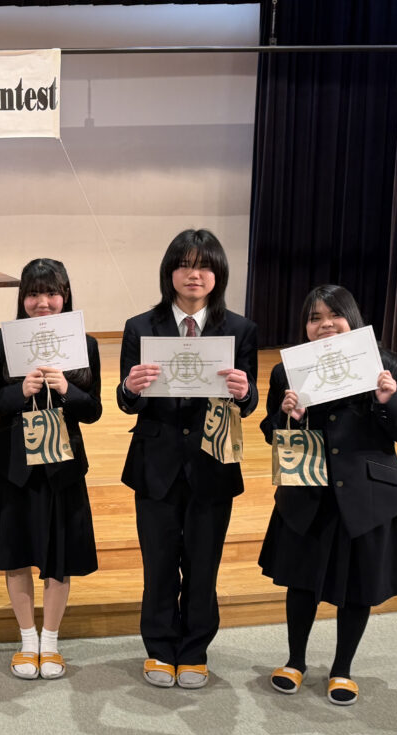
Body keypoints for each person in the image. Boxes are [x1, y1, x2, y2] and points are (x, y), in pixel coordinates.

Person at [116, 229, 258, 689]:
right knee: (158, 564)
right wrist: (129, 388)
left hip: (212, 463)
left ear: (218, 274)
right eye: (184, 265)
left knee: (203, 564)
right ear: (170, 273)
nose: (194, 274)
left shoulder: (240, 329)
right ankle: (160, 649)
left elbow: (249, 403)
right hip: (155, 464)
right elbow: (127, 403)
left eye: (204, 266)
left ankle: (195, 650)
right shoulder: (141, 326)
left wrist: (245, 392)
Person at [259, 284, 397, 705]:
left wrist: (389, 401)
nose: (325, 324)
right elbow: (271, 432)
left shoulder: (390, 366)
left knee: (358, 586)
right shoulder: (288, 371)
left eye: (334, 315)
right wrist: (288, 417)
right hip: (308, 490)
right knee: (300, 581)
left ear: (352, 318)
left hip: (368, 495)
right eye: (314, 318)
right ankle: (294, 661)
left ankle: (342, 670)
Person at [0, 259, 102, 680]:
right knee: (16, 555)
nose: (42, 302)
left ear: (65, 296)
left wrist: (68, 390)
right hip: (14, 465)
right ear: (22, 298)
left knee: (59, 558)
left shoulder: (85, 344)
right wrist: (19, 392)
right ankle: (27, 640)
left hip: (63, 466)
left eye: (51, 293)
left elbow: (94, 411)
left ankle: (50, 642)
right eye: (33, 294)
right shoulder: (1, 342)